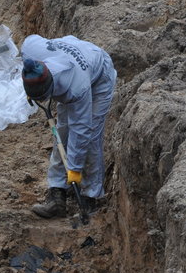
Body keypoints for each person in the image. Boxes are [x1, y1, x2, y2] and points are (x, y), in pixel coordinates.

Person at [20, 34, 117, 218]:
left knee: (90, 137)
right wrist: (31, 88)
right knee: (62, 132)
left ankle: (90, 198)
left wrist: (74, 169)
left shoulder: (76, 88)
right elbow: (28, 44)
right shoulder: (31, 50)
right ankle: (57, 194)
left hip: (99, 76)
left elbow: (82, 130)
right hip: (70, 58)